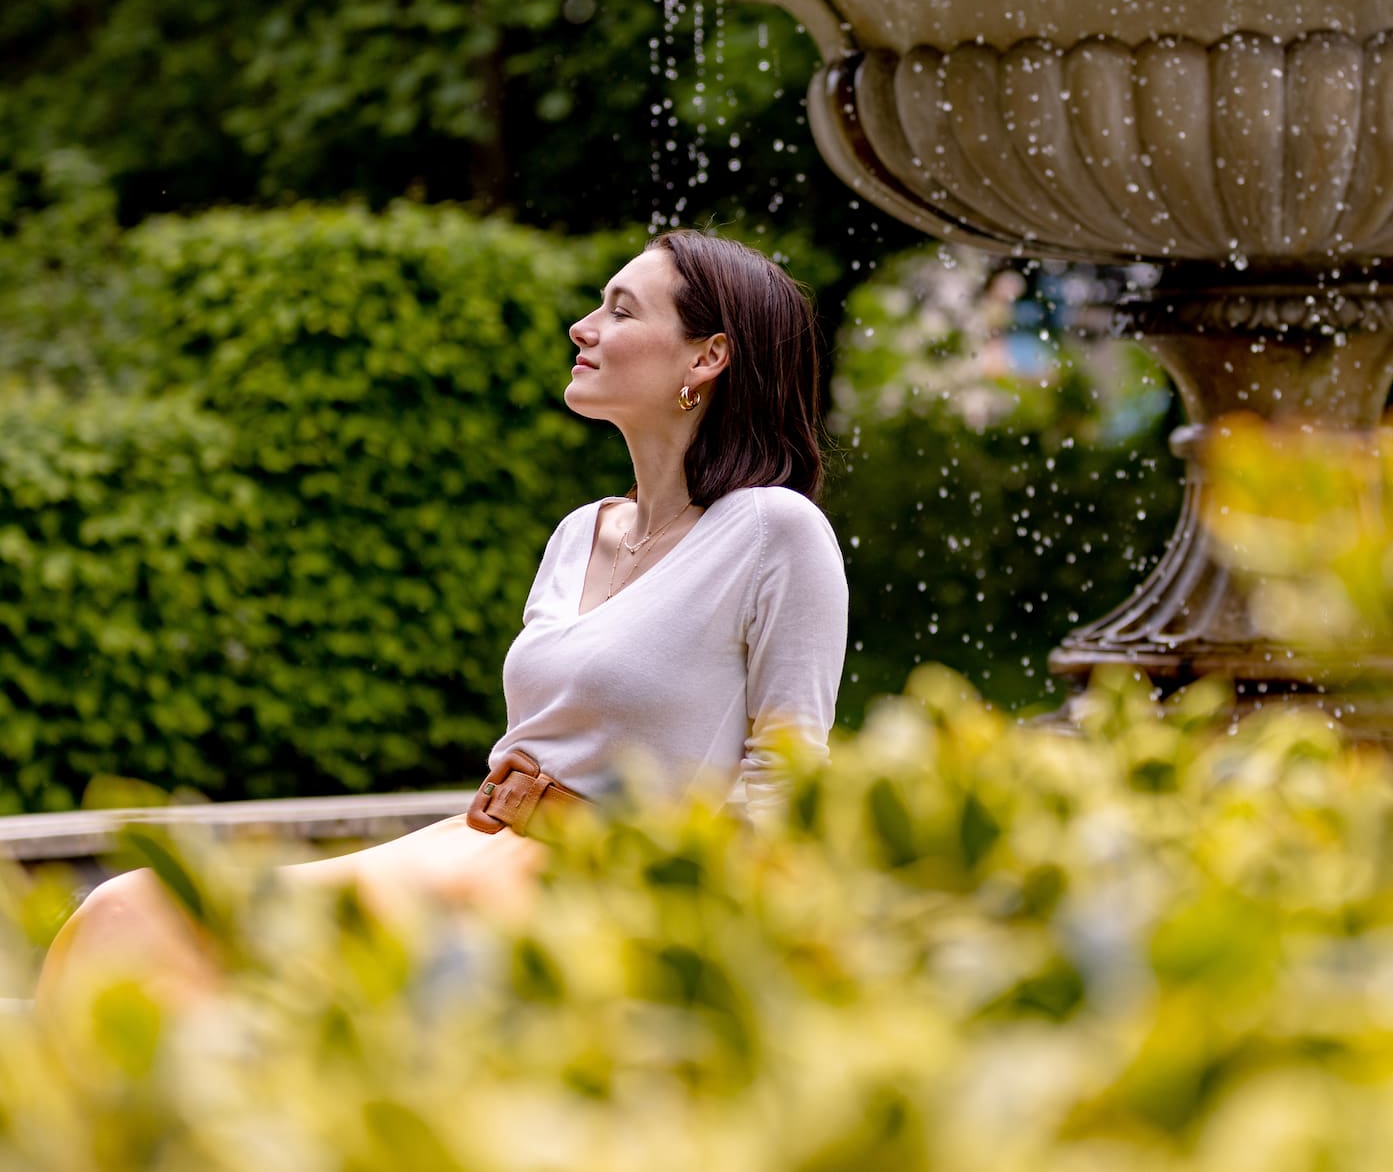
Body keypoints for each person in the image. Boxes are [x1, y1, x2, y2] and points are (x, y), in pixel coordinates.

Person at [36, 230, 849, 1007]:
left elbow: (782, 784)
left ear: (707, 357)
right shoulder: (580, 533)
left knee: (167, 926)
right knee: (124, 909)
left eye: (623, 310)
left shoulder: (775, 531)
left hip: (604, 893)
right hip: (485, 844)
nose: (584, 325)